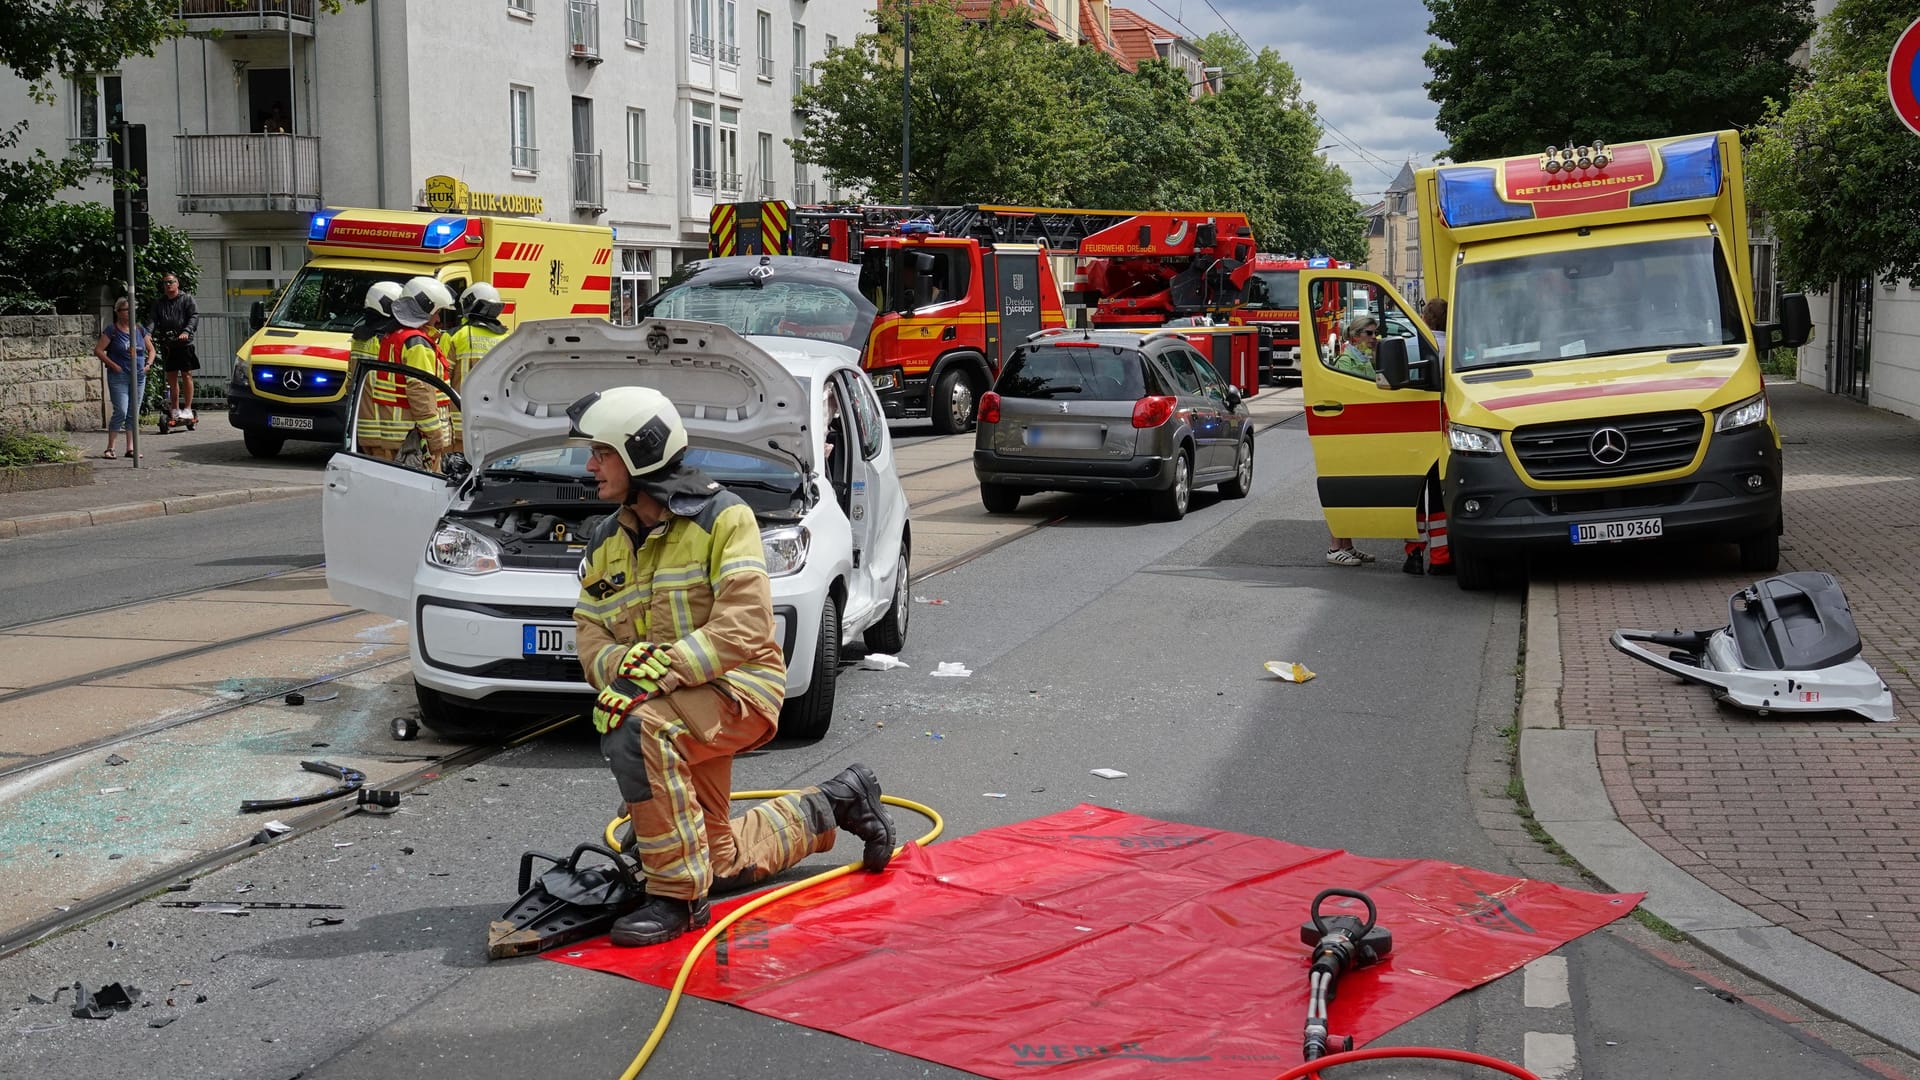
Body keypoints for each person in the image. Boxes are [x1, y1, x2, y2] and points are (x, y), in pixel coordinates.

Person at [567, 386, 897, 947]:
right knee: (717, 858)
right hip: (673, 699)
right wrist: (623, 664)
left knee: (636, 735)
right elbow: (590, 633)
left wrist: (655, 672)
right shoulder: (606, 538)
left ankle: (676, 899)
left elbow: (744, 628)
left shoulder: (725, 518)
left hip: (738, 689)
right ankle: (837, 801)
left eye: (602, 452)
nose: (590, 464)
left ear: (639, 452)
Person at [360, 277, 454, 468]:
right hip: (416, 441)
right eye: (437, 312)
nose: (437, 319)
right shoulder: (417, 344)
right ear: (425, 310)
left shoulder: (393, 337)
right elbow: (421, 393)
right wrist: (435, 437)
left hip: (394, 437)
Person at [1324, 313, 1382, 567]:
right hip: (1346, 434)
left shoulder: (1364, 358)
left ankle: (1347, 545)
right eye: (1369, 333)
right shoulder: (1347, 360)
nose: (1374, 338)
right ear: (1355, 337)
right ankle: (1335, 547)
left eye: (1374, 333)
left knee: (1351, 491)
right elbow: (1348, 393)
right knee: (1342, 490)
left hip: (1360, 432)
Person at [442, 281, 510, 454]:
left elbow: (439, 378)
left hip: (458, 427)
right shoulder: (508, 339)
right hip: (494, 424)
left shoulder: (455, 336)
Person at [94, 297, 154, 460]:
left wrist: (148, 364)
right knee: (121, 410)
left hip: (139, 376)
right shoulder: (112, 330)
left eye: (131, 310)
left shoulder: (140, 330)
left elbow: (151, 350)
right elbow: (98, 350)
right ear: (118, 312)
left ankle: (131, 448)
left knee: (133, 412)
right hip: (119, 376)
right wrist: (113, 365)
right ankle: (110, 447)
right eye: (126, 310)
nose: (129, 313)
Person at [150, 272, 199, 427]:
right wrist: (148, 333)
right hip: (168, 344)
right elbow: (153, 320)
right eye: (165, 283)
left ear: (177, 283)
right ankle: (175, 408)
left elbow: (194, 316)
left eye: (171, 282)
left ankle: (188, 408)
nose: (168, 285)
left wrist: (186, 331)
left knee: (186, 375)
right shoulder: (160, 303)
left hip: (184, 343)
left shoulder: (187, 299)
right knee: (171, 376)